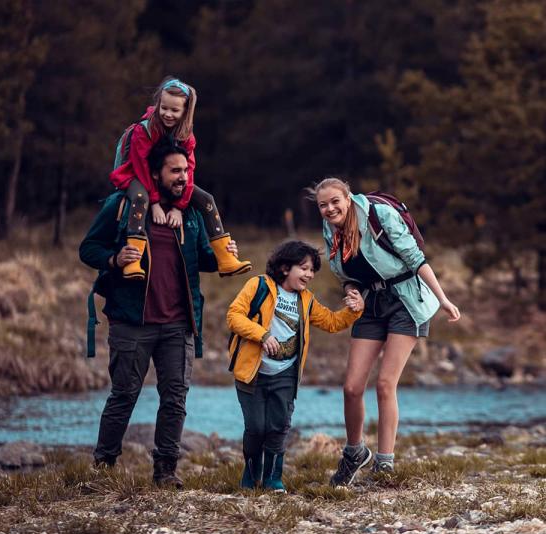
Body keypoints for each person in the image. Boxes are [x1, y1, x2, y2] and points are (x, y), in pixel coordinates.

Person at [79, 140, 240, 488]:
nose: (183, 177)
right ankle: (102, 469)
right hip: (131, 321)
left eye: (186, 171)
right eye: (175, 171)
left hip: (179, 323)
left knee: (175, 399)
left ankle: (166, 472)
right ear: (155, 173)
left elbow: (203, 260)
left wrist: (225, 252)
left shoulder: (192, 213)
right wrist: (113, 259)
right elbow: (88, 248)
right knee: (124, 396)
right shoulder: (122, 206)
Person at [312, 178, 461, 486]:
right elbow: (345, 274)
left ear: (348, 198)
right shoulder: (331, 230)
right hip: (372, 304)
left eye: (335, 202)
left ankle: (385, 464)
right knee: (352, 388)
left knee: (384, 384)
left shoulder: (380, 216)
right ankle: (354, 452)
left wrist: (443, 299)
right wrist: (352, 292)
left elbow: (416, 259)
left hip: (407, 301)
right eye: (323, 205)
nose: (330, 209)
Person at [226, 240, 364, 492]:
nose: (309, 275)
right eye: (304, 268)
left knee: (279, 427)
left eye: (312, 270)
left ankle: (273, 478)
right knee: (256, 428)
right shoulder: (258, 286)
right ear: (285, 267)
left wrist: (353, 310)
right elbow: (234, 315)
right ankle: (252, 471)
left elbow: (333, 322)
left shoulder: (307, 300)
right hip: (251, 373)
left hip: (286, 375)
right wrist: (262, 335)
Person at [110, 75, 251, 278]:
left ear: (185, 111)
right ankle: (133, 261)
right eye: (164, 108)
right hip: (137, 176)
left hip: (167, 179)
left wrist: (178, 207)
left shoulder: (186, 135)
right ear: (158, 104)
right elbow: (141, 167)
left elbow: (189, 170)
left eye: (175, 110)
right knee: (140, 199)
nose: (168, 114)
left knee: (207, 199)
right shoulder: (145, 130)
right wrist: (156, 203)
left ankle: (226, 258)